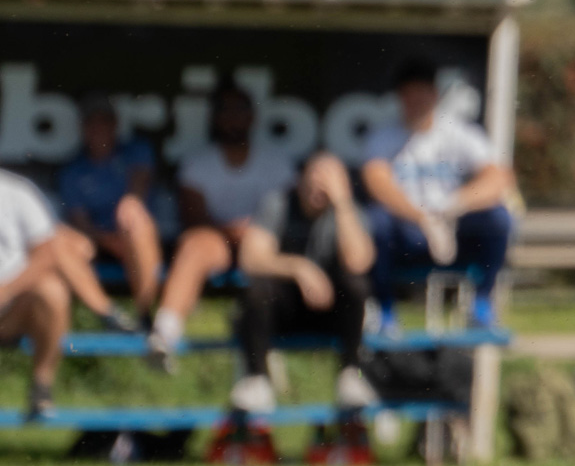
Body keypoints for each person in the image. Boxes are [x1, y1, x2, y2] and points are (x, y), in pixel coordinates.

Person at [148, 83, 296, 368]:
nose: (232, 118)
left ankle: (269, 350)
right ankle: (164, 334)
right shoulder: (197, 164)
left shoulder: (277, 163)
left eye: (240, 110)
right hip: (220, 246)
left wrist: (255, 235)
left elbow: (291, 218)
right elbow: (194, 220)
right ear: (214, 118)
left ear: (252, 116)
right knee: (195, 244)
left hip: (268, 250)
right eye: (225, 111)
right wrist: (235, 232)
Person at [361, 59, 514, 334]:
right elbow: (377, 183)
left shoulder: (457, 132)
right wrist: (421, 217)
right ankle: (383, 310)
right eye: (410, 95)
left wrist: (453, 206)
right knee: (375, 221)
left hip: (452, 228)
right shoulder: (384, 137)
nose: (417, 101)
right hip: (408, 233)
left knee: (499, 218)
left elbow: (498, 177)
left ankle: (481, 304)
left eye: (423, 93)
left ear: (434, 94)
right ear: (400, 98)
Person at [228, 152, 379, 416]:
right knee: (256, 289)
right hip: (284, 312)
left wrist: (342, 203)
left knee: (356, 285)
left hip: (332, 314)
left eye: (330, 181)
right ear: (300, 180)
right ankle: (257, 380)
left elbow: (359, 262)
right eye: (315, 178)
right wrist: (300, 267)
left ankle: (350, 375)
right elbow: (250, 258)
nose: (320, 188)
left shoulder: (349, 211)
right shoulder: (279, 203)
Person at [58, 95, 162, 323]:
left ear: (115, 124)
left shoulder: (136, 151)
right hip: (98, 244)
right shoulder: (73, 171)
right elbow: (79, 221)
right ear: (82, 128)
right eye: (91, 122)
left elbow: (140, 182)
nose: (97, 128)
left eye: (104, 121)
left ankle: (146, 316)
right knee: (60, 242)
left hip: (137, 237)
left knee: (135, 220)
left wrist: (131, 202)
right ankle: (110, 316)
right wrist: (110, 241)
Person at [0, 169, 76, 419]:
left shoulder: (16, 190)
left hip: (12, 306)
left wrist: (8, 289)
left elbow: (45, 253)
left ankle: (41, 385)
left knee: (52, 290)